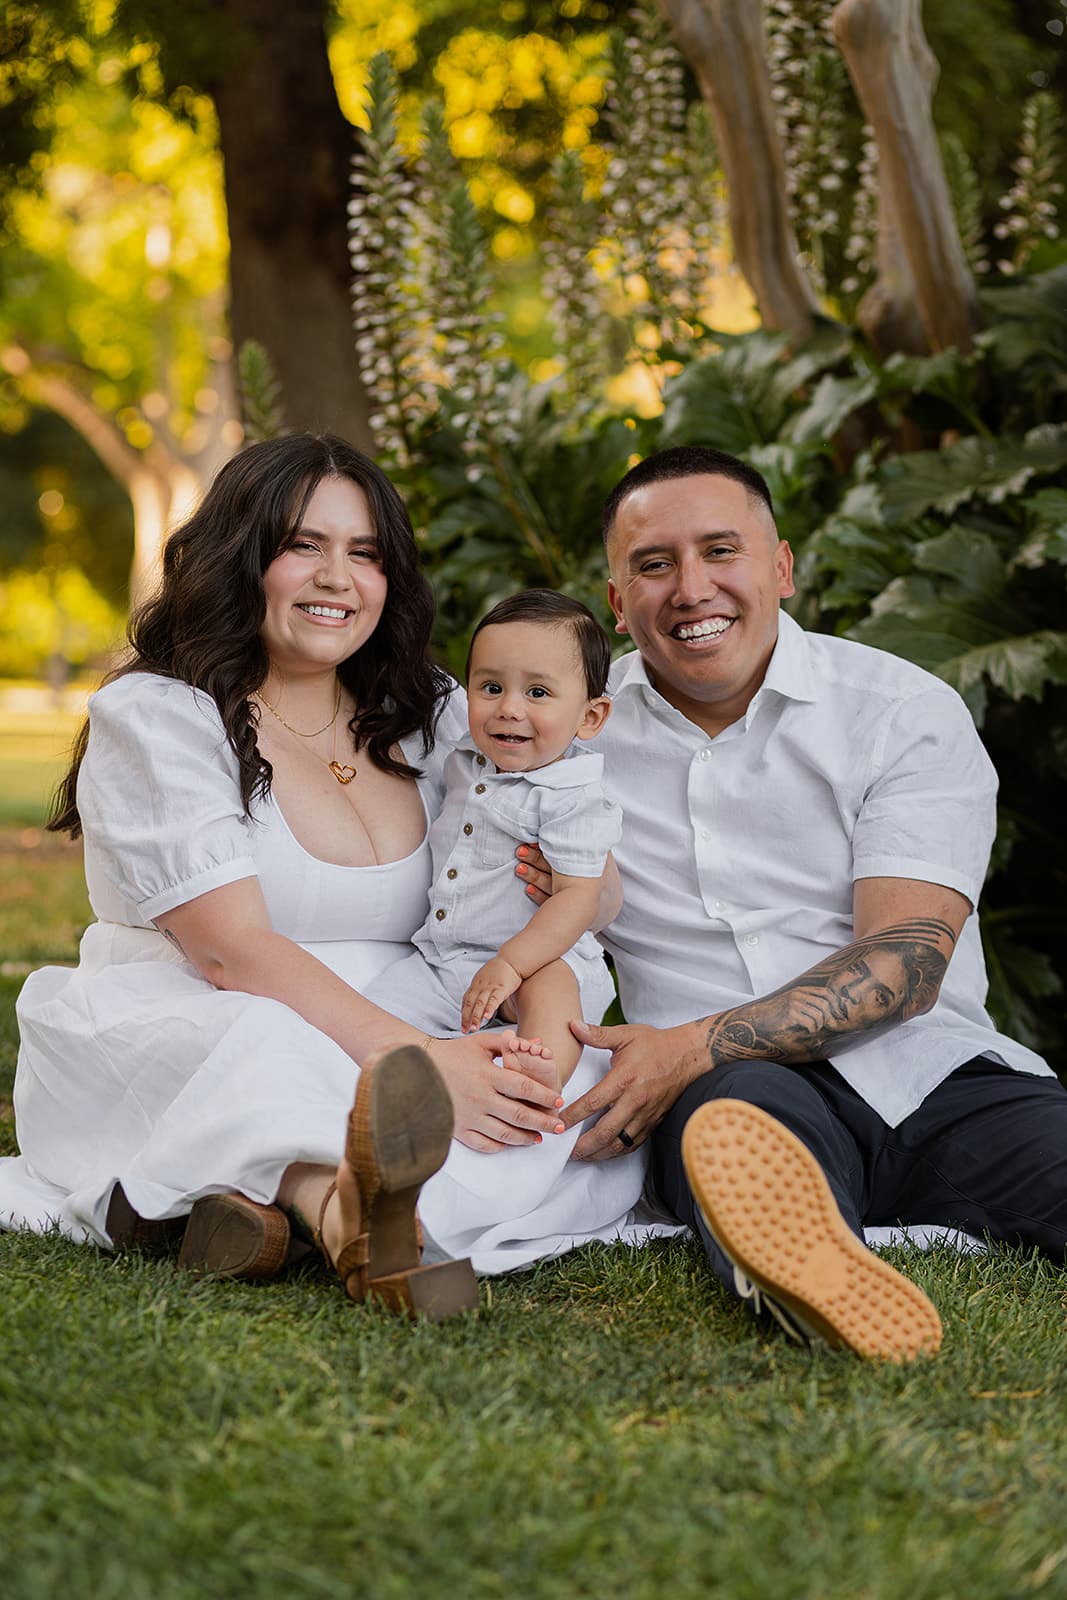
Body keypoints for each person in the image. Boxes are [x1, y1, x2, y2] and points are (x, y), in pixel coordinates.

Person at [0, 434, 662, 1306]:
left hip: (410, 1005)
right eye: (302, 546)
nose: (336, 578)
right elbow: (232, 953)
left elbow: (580, 866)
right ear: (242, 559)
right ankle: (347, 1211)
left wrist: (562, 922)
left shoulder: (434, 714)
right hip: (208, 1008)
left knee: (554, 1087)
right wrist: (426, 1068)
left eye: (364, 554)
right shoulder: (161, 717)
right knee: (267, 1055)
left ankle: (245, 1209)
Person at [533, 443, 1067, 1362]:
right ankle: (805, 1264)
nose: (691, 588)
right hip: (735, 1096)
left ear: (779, 568)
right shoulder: (562, 736)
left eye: (720, 551)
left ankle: (810, 1240)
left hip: (931, 1076)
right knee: (736, 1130)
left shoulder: (898, 711)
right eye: (653, 565)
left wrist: (686, 1046)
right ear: (617, 607)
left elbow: (905, 964)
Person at [366, 589, 621, 1089]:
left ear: (589, 717)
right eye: (490, 687)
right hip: (446, 958)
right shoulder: (465, 761)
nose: (508, 708)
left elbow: (576, 898)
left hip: (541, 957)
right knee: (375, 1015)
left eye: (538, 693)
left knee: (550, 992)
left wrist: (511, 964)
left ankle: (539, 1076)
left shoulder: (572, 797)